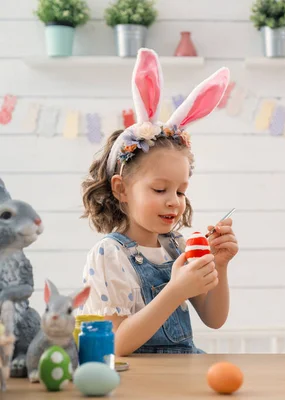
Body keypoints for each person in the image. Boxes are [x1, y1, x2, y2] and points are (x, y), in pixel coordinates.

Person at [79, 49, 238, 356]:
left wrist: (220, 264)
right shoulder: (108, 255)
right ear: (121, 188)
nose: (174, 203)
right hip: (138, 380)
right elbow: (115, 346)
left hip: (181, 373)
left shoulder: (175, 245)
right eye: (160, 190)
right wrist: (175, 290)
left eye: (180, 191)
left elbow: (214, 319)